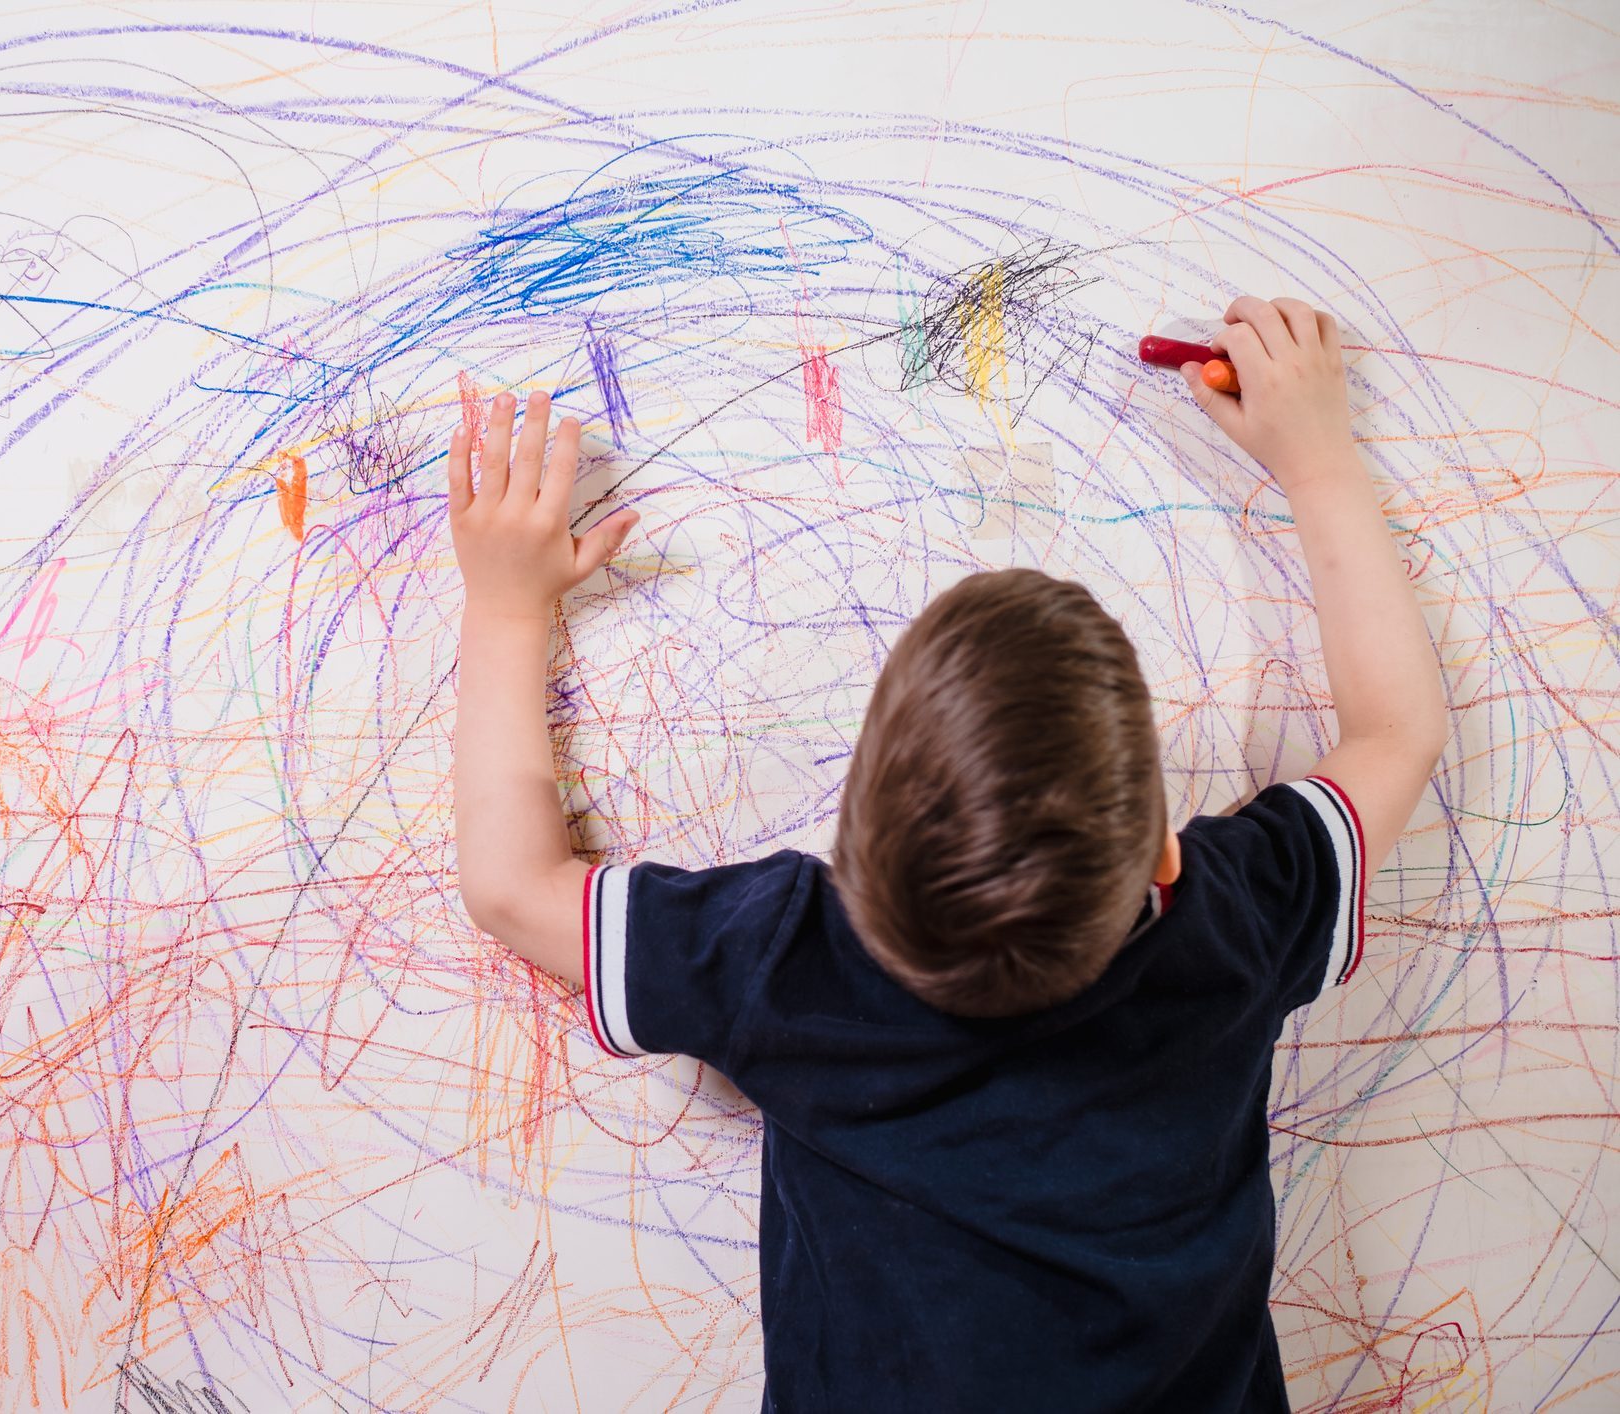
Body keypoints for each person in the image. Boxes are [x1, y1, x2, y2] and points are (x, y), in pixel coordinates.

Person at [445, 295, 1448, 1409]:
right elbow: (1397, 732)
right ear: (1163, 858)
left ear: (849, 856)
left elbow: (508, 884)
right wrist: (1315, 460)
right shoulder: (1228, 928)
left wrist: (501, 607)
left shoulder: (788, 961)